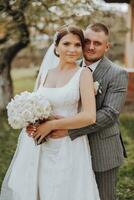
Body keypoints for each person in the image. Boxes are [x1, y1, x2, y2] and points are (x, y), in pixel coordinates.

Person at [0, 25, 100, 200]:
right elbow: (37, 105)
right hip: (39, 146)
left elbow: (89, 116)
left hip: (67, 146)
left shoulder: (83, 74)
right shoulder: (46, 73)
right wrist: (32, 123)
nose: (72, 49)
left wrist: (52, 125)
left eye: (77, 45)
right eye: (66, 44)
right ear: (56, 47)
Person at [46, 23, 128, 200]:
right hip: (69, 150)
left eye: (97, 43)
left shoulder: (117, 73)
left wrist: (69, 129)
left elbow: (109, 113)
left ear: (107, 46)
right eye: (87, 41)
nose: (91, 47)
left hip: (101, 149)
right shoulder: (70, 68)